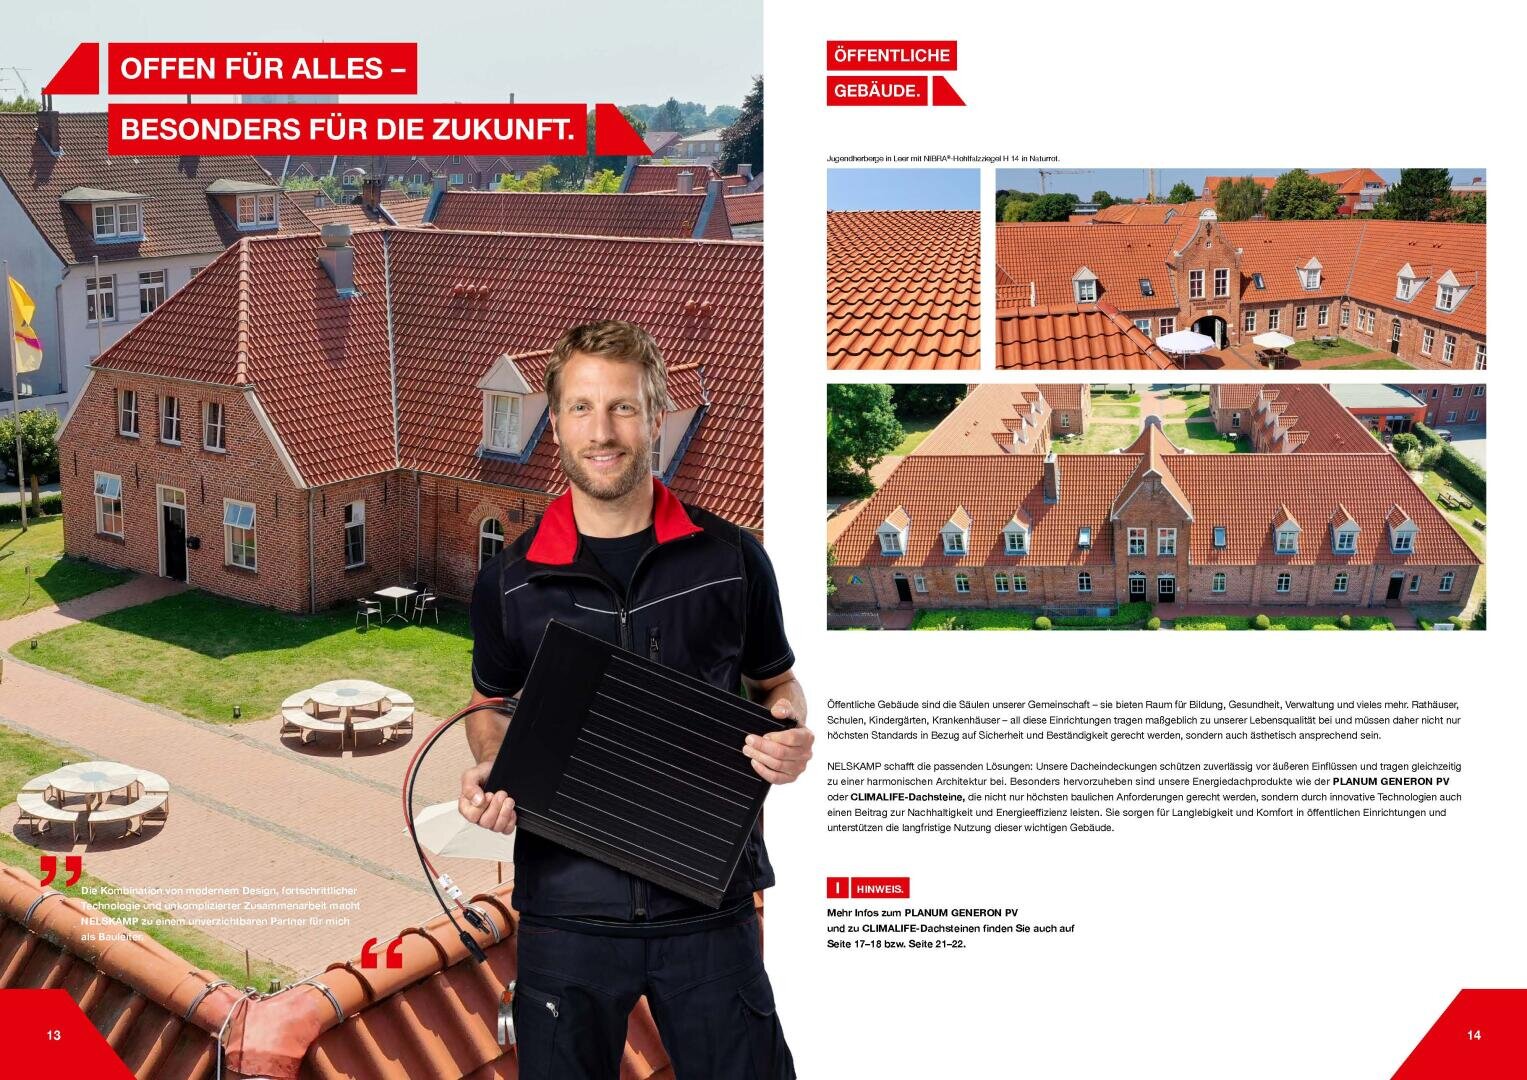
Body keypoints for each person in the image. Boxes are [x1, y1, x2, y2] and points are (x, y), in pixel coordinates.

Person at [460, 319, 811, 1079]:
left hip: (707, 903)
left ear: (657, 417)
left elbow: (776, 683)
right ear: (553, 425)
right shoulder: (509, 581)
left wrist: (788, 730)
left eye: (623, 407)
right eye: (581, 408)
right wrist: (493, 767)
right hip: (564, 909)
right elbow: (489, 705)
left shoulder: (731, 558)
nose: (603, 430)